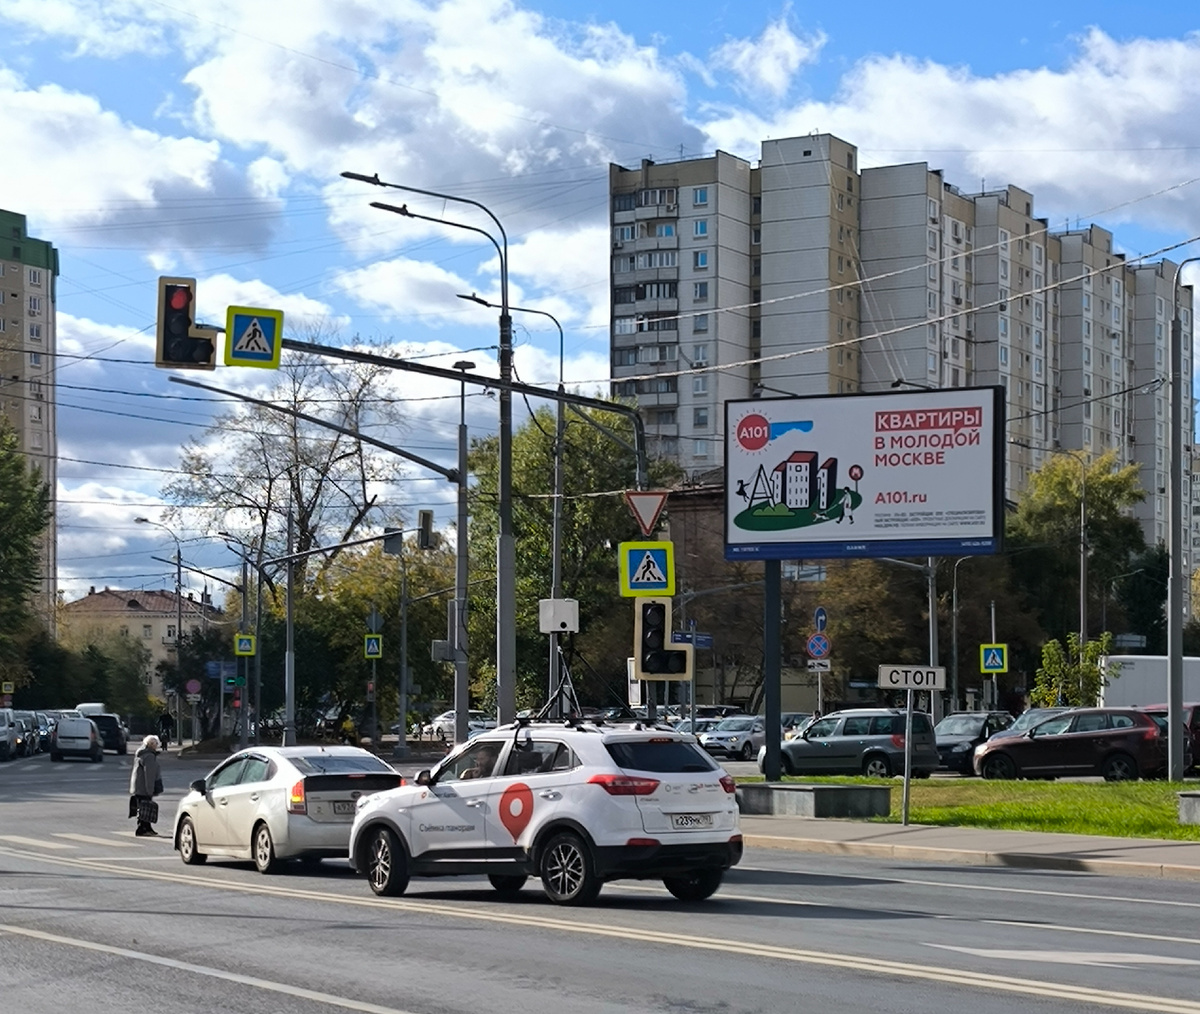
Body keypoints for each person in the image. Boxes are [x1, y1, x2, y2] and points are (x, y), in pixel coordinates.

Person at [129, 735, 164, 837]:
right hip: (144, 787)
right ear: (151, 744)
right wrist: (150, 790)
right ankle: (142, 829)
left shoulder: (142, 754)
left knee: (143, 808)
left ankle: (147, 828)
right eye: (156, 744)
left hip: (138, 786)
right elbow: (149, 774)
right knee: (145, 808)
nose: (157, 746)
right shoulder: (149, 756)